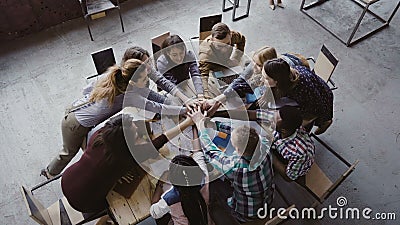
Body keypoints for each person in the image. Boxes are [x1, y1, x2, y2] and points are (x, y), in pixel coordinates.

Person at [61, 114, 195, 213]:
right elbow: (160, 141)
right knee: (119, 207)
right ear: (126, 144)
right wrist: (187, 123)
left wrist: (116, 173)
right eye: (135, 133)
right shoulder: (126, 158)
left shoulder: (100, 134)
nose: (137, 128)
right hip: (85, 203)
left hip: (67, 179)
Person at [41, 59, 145, 179]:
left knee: (93, 151)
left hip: (77, 110)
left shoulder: (111, 76)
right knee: (69, 152)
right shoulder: (125, 98)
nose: (146, 80)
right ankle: (50, 173)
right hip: (75, 125)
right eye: (143, 78)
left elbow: (86, 90)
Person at [188, 106, 274, 223]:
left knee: (214, 185)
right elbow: (241, 133)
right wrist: (213, 125)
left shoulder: (237, 168)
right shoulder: (264, 143)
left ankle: (232, 214)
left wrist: (199, 125)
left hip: (247, 213)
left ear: (239, 151)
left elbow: (211, 153)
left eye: (234, 146)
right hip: (267, 200)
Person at [262, 58, 333, 134]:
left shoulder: (303, 88)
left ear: (277, 80)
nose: (261, 79)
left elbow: (314, 110)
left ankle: (325, 122)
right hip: (309, 94)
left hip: (321, 99)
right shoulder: (285, 74)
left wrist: (296, 126)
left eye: (266, 78)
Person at [122, 46, 198, 108]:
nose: (149, 66)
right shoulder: (131, 86)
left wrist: (185, 99)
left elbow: (162, 81)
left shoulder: (145, 69)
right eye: (144, 64)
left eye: (148, 61)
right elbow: (150, 95)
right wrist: (179, 107)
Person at [150, 155, 210, 225]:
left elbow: (154, 213)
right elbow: (199, 156)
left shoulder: (171, 198)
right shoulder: (204, 178)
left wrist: (160, 183)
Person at [198, 23, 246, 97]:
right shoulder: (205, 53)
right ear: (212, 40)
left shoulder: (233, 36)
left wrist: (236, 57)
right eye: (220, 46)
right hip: (213, 67)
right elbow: (203, 74)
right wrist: (205, 93)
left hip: (227, 62)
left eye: (227, 44)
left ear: (230, 35)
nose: (224, 49)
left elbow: (242, 39)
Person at [157, 35, 204, 99]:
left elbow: (195, 74)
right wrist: (187, 99)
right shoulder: (162, 63)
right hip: (169, 88)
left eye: (181, 53)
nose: (179, 58)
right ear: (167, 53)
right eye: (174, 55)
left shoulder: (189, 55)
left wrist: (200, 94)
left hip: (185, 82)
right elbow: (171, 84)